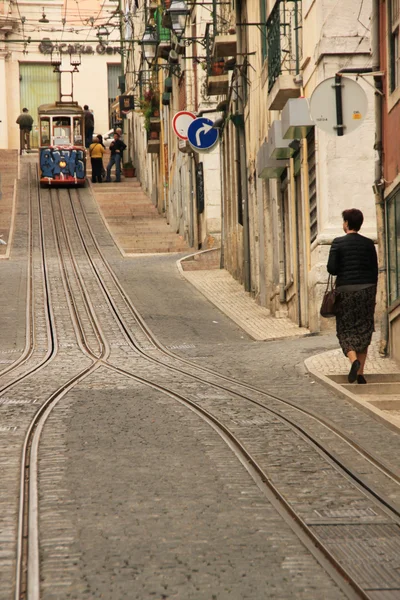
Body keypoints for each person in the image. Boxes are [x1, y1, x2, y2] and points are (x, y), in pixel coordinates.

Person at [327, 208, 378, 384]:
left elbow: (332, 269)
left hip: (345, 290)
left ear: (346, 223)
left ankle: (353, 360)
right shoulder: (369, 244)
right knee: (364, 328)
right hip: (367, 290)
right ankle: (360, 373)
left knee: (345, 328)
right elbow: (374, 269)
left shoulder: (338, 243)